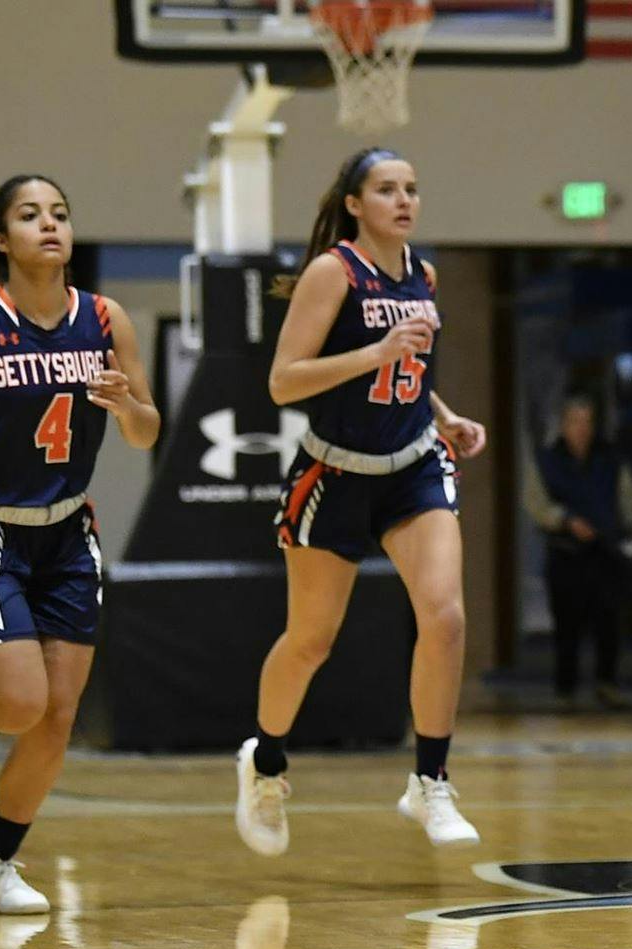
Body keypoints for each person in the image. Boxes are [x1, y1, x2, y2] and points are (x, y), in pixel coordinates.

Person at [236, 149, 490, 857]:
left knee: (444, 616)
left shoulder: (424, 273)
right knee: (310, 639)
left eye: (411, 188)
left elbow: (412, 366)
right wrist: (373, 353)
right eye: (386, 189)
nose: (403, 200)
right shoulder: (332, 272)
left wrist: (444, 416)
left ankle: (430, 779)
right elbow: (284, 382)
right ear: (355, 203)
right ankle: (265, 764)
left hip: (412, 464)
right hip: (334, 472)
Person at [0, 176, 160, 913]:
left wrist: (126, 404)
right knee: (17, 705)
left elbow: (145, 433)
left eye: (60, 213)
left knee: (56, 715)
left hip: (70, 532)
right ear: (1, 239)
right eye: (28, 214)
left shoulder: (106, 320)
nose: (49, 224)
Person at [523, 391, 632, 703]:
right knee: (567, 625)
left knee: (608, 622)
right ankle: (566, 690)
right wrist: (565, 520)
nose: (581, 428)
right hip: (567, 553)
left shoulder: (610, 459)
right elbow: (536, 504)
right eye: (575, 421)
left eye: (586, 422)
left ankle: (607, 684)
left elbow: (629, 499)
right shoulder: (547, 460)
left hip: (606, 553)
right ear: (563, 425)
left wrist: (631, 526)